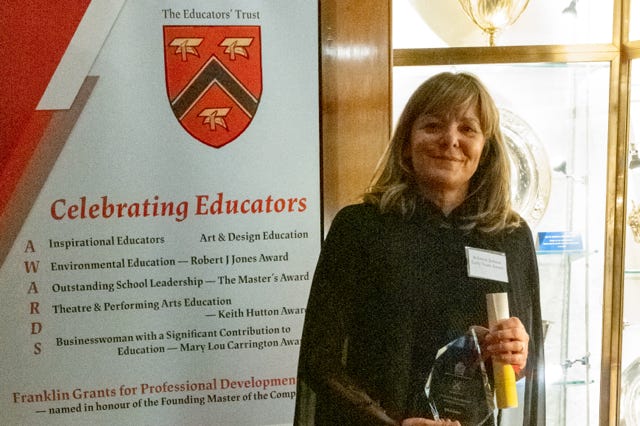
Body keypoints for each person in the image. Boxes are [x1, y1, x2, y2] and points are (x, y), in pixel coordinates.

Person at [294, 72, 545, 425]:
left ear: (485, 148)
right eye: (433, 125)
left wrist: (516, 354)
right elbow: (319, 360)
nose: (450, 140)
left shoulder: (511, 237)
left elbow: (520, 371)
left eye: (468, 129)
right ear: (406, 142)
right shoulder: (359, 228)